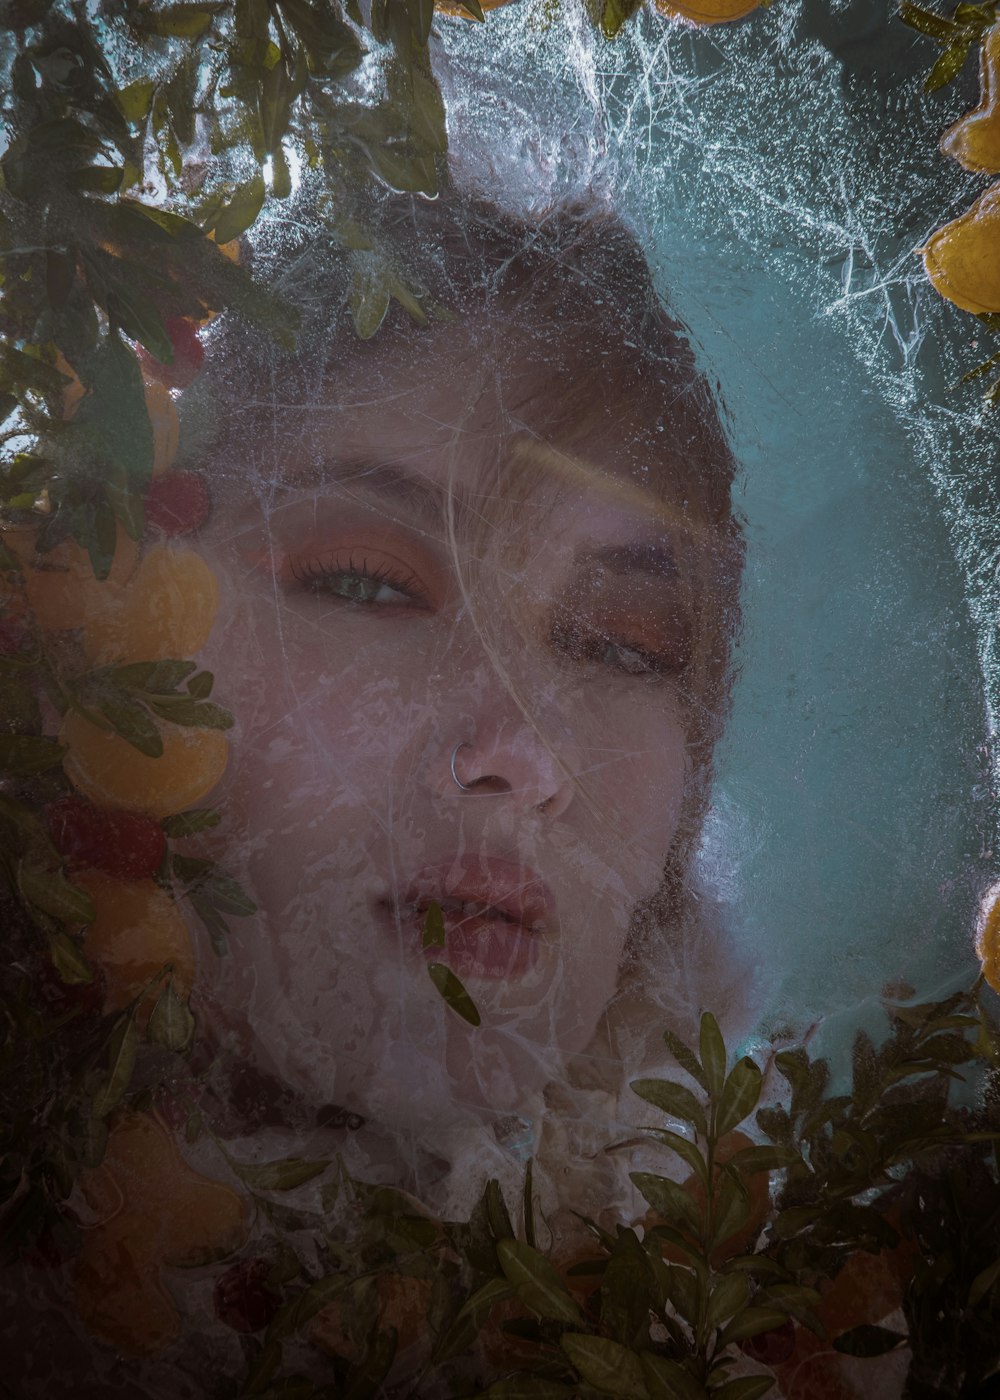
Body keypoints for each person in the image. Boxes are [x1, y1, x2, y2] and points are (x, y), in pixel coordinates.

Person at [2, 186, 748, 1393]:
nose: (524, 753)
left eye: (622, 642)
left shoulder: (798, 1296)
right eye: (363, 584)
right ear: (104, 643)